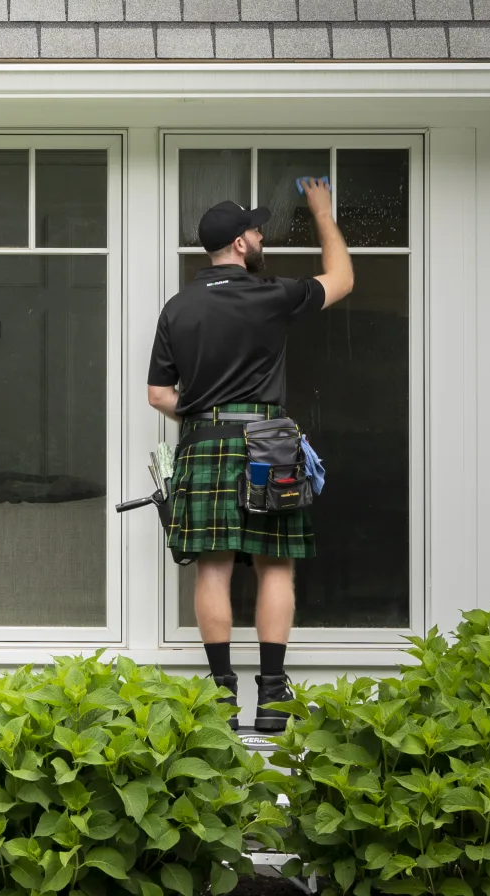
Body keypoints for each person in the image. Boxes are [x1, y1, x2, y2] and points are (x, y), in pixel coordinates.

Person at [146, 180, 353, 733]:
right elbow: (342, 280)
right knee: (274, 565)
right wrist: (323, 215)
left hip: (204, 444)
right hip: (267, 442)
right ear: (241, 244)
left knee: (212, 568)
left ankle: (219, 701)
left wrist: (204, 417)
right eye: (258, 230)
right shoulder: (271, 294)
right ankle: (270, 698)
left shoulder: (177, 308)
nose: (262, 236)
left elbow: (159, 395)